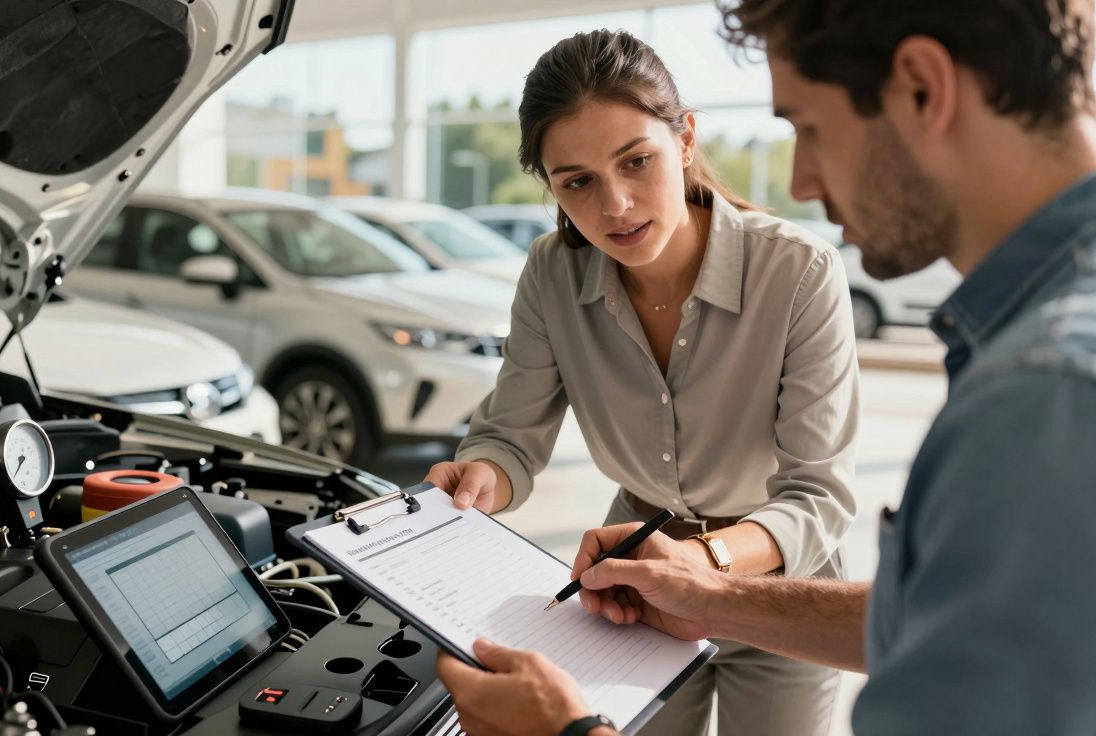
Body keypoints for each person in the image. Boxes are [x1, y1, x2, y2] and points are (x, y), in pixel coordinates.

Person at [435, 1, 1096, 735]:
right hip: (648, 576)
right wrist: (485, 478)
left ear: (921, 87)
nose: (804, 180)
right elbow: (949, 616)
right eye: (577, 181)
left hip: (775, 573)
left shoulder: (1044, 389)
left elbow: (830, 506)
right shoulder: (1030, 359)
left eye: (807, 127)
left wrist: (566, 730)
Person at [423, 28, 860, 736]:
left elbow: (819, 495)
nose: (617, 205)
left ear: (685, 140)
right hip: (639, 590)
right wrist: (478, 478)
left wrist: (702, 565)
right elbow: (510, 440)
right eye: (578, 183)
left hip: (783, 589)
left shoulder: (798, 273)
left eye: (637, 161)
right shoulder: (550, 274)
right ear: (551, 186)